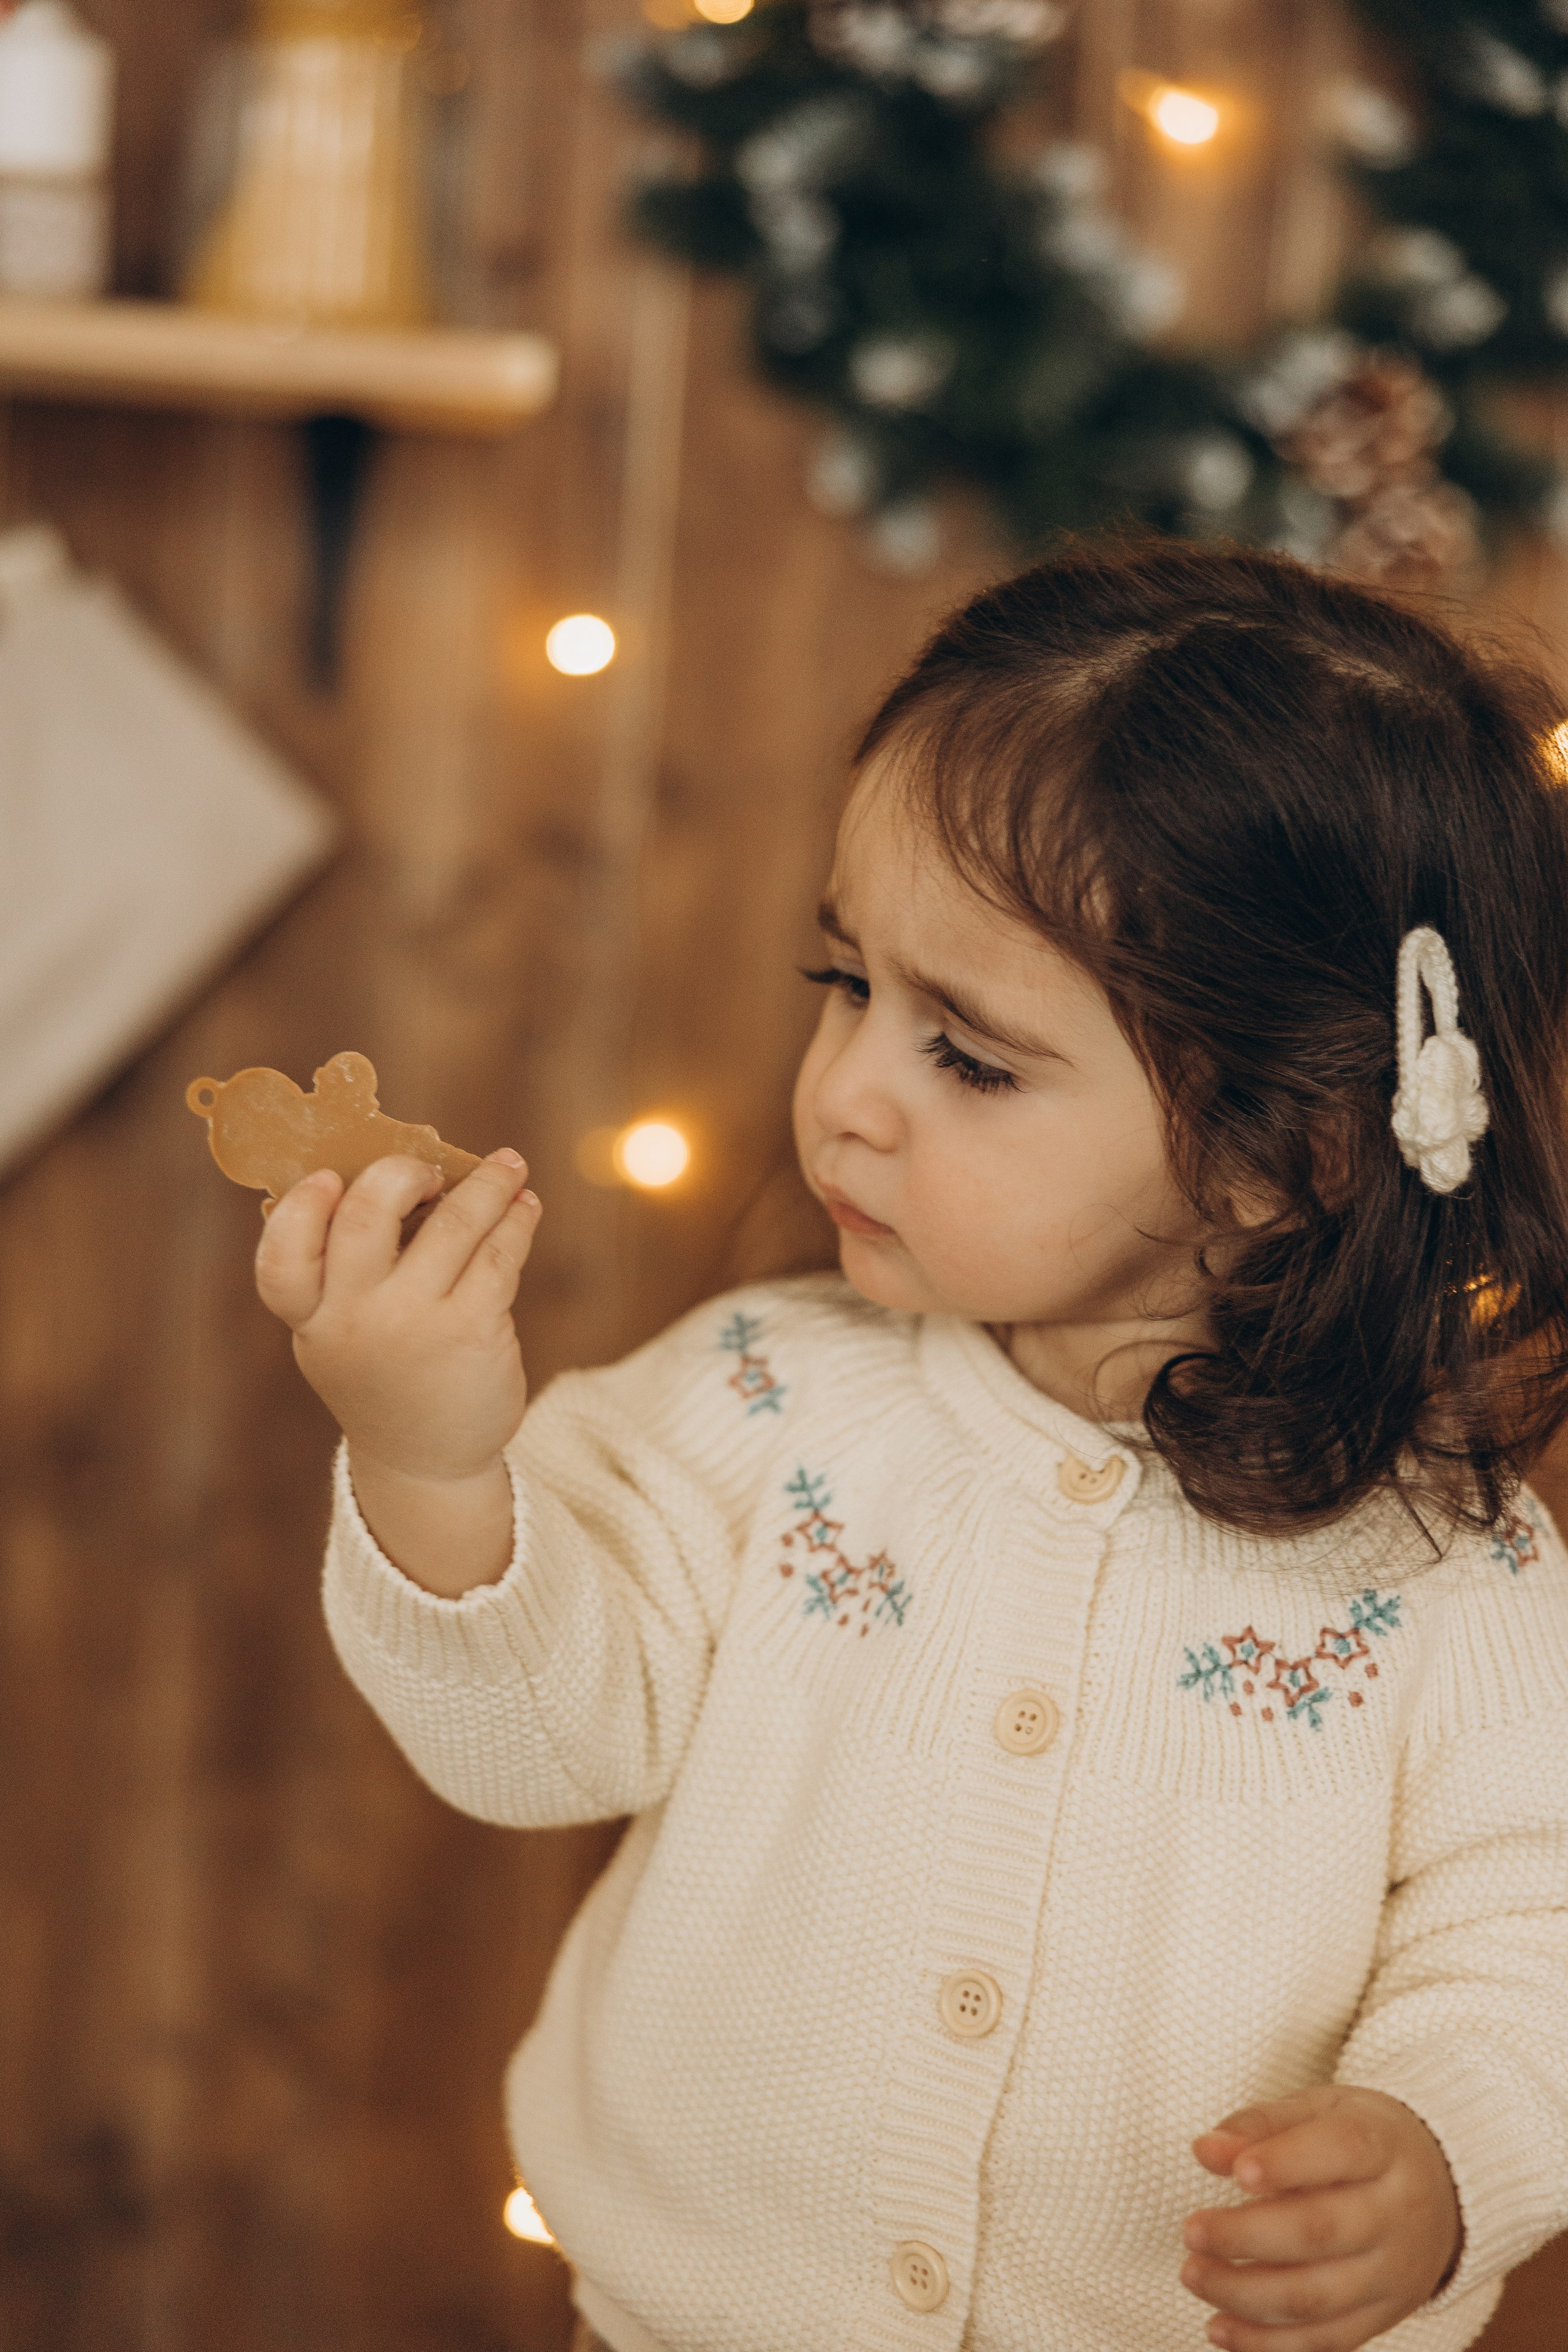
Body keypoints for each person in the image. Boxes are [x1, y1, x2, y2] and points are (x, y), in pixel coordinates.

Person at [255, 540, 1568, 2352]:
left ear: (1294, 1150)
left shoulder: (1450, 1575)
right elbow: (540, 1737)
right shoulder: (757, 1405)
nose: (845, 1090)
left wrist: (1446, 2152)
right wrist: (428, 1462)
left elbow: (1539, 1931)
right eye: (844, 978)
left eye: (969, 1055)